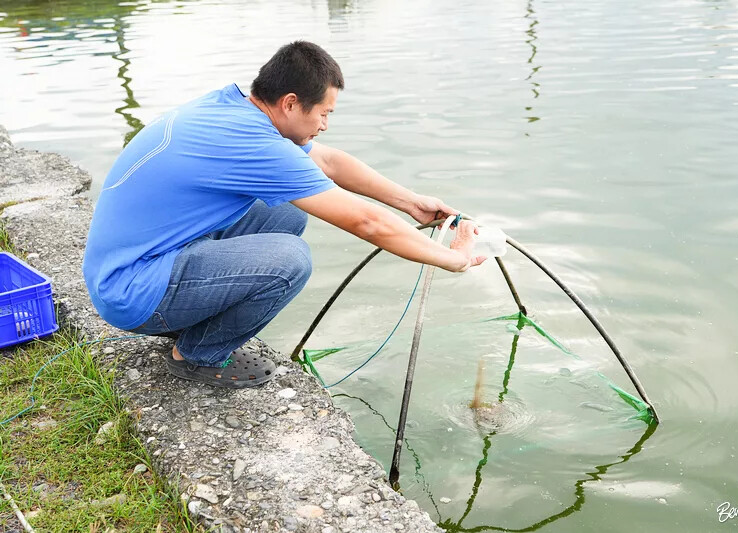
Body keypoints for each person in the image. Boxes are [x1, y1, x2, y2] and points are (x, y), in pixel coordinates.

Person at [83, 41, 485, 389]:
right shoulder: (252, 143)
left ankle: (189, 321)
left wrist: (411, 203)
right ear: (290, 102)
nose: (325, 125)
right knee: (290, 259)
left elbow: (327, 163)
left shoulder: (236, 109)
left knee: (284, 218)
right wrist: (455, 258)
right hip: (131, 292)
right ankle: (196, 354)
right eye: (324, 113)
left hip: (129, 267)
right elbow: (366, 222)